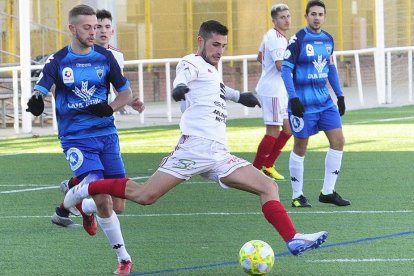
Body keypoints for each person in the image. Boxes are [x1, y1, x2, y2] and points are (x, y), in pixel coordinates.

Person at [64, 20, 328, 268]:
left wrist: (241, 96)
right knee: (145, 196)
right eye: (215, 45)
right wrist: (179, 89)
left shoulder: (212, 69)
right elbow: (183, 78)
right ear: (200, 41)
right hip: (193, 148)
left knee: (268, 186)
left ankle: (292, 238)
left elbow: (218, 88)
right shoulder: (190, 62)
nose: (220, 51)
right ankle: (84, 191)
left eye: (224, 46)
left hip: (218, 153)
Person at [26, 4, 144, 274]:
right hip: (76, 137)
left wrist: (110, 108)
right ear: (72, 29)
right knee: (100, 191)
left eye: (96, 27)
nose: (93, 32)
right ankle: (124, 259)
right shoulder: (58, 61)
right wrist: (36, 101)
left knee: (117, 205)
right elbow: (41, 90)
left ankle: (81, 203)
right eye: (87, 27)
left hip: (107, 135)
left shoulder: (105, 57)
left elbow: (125, 93)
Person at [51, 8, 130, 230]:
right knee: (101, 191)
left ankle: (77, 199)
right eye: (95, 27)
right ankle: (70, 200)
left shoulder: (113, 57)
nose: (99, 31)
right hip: (79, 133)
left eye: (103, 27)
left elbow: (122, 89)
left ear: (112, 30)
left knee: (119, 205)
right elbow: (55, 87)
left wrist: (121, 105)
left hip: (106, 129)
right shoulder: (65, 59)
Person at [281, 0, 350, 207]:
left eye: (320, 14)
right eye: (313, 14)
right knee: (301, 146)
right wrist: (293, 98)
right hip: (302, 104)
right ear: (306, 16)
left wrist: (340, 96)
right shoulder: (298, 40)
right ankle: (297, 195)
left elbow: (331, 70)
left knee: (338, 141)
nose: (317, 17)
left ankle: (327, 192)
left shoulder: (328, 40)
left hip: (325, 103)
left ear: (324, 17)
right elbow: (285, 70)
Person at [252, 3, 292, 181]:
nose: (286, 20)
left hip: (277, 89)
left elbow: (259, 57)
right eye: (282, 17)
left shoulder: (271, 35)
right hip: (273, 91)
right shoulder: (276, 39)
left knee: (289, 129)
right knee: (273, 131)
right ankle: (254, 171)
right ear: (274, 20)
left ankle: (268, 165)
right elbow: (279, 65)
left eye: (288, 16)